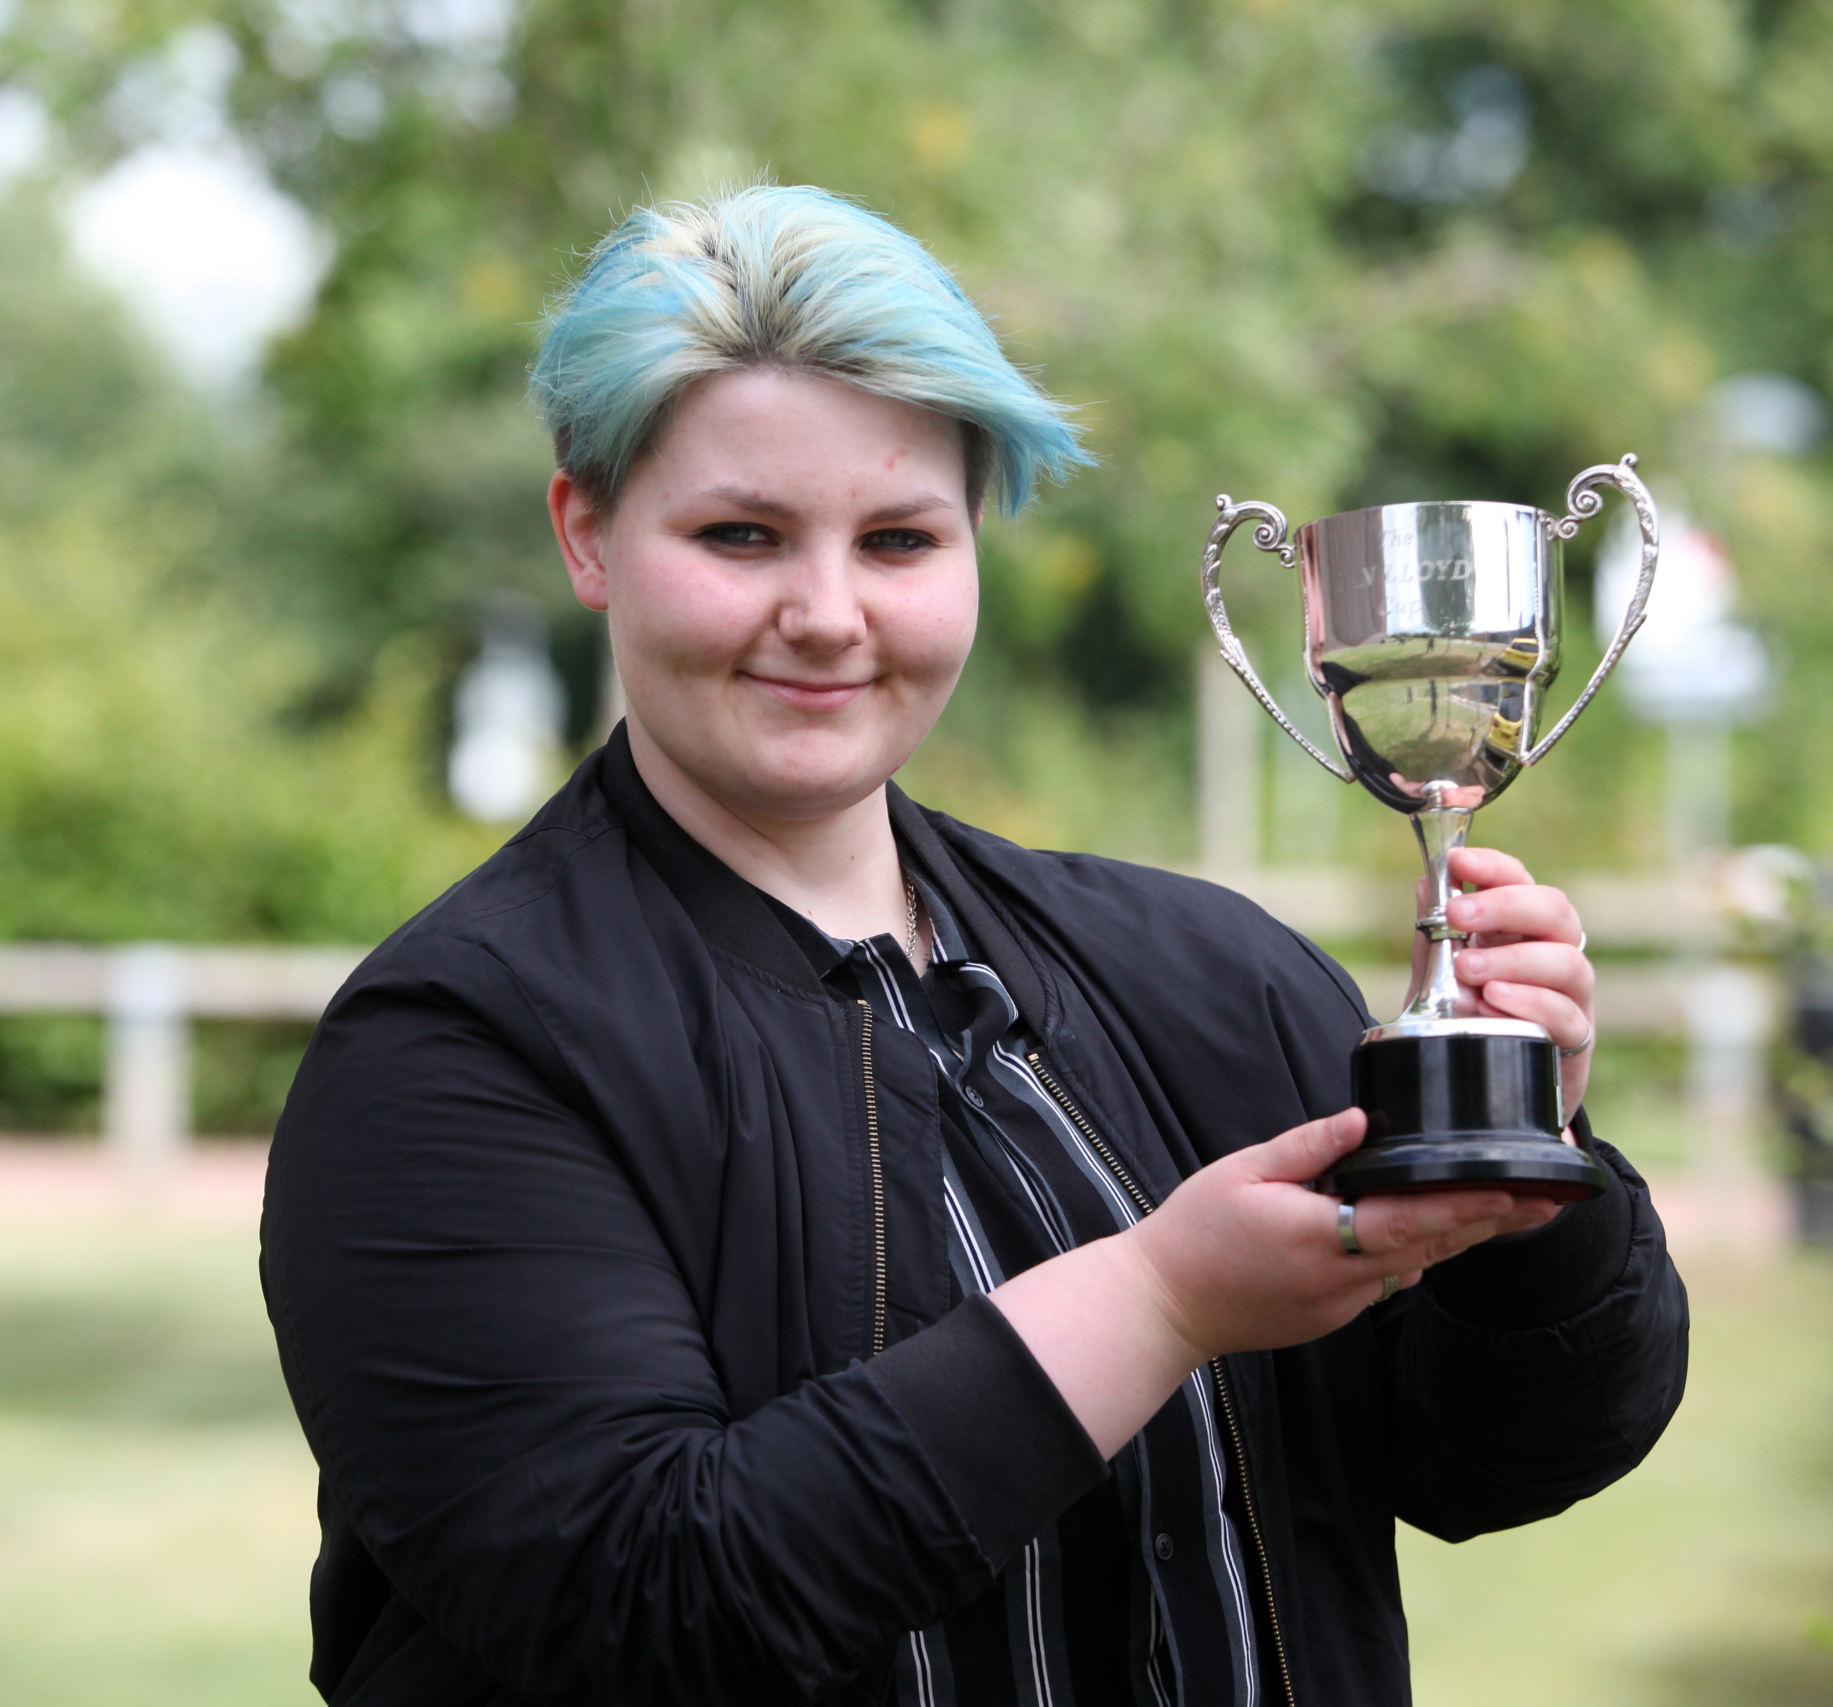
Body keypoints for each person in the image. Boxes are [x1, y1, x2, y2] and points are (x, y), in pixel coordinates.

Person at [262, 184, 1689, 1707]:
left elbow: (1488, 1460)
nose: (827, 613)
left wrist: (1522, 1162)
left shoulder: (1215, 975)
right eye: (741, 535)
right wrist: (1157, 1302)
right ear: (587, 534)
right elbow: (646, 1608)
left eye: (898, 540)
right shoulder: (453, 1051)